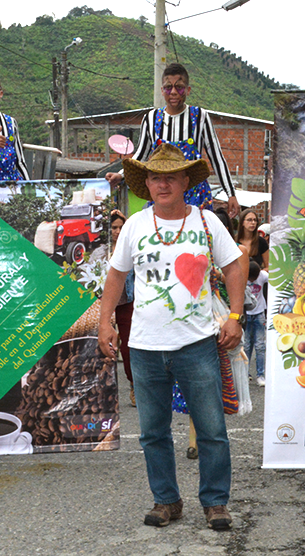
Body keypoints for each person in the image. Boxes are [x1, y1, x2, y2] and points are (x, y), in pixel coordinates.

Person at [98, 143, 244, 531]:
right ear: (146, 183)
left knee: (211, 429)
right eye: (155, 177)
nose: (162, 184)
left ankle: (215, 502)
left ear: (184, 181)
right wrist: (104, 322)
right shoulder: (134, 225)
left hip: (196, 343)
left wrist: (235, 315)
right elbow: (116, 275)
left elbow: (234, 266)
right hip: (145, 346)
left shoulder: (207, 221)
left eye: (170, 176)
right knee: (152, 432)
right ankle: (166, 500)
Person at [105, 63, 239, 218]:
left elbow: (216, 157)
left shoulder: (200, 116)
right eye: (168, 87)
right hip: (163, 195)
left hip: (195, 196)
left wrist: (231, 194)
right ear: (162, 91)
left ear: (188, 90)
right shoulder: (151, 118)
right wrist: (120, 175)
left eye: (179, 87)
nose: (174, 92)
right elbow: (140, 156)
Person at [109, 210, 136, 407]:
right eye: (113, 228)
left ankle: (134, 385)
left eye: (121, 227)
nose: (117, 232)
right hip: (106, 305)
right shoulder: (101, 250)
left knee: (127, 348)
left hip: (127, 302)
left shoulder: (130, 247)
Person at [243, 260, 269, 386]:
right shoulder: (242, 276)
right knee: (246, 345)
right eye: (250, 279)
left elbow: (273, 279)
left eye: (255, 279)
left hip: (259, 313)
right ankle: (245, 373)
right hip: (247, 314)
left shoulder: (262, 276)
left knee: (260, 346)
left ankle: (260, 374)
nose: (252, 281)